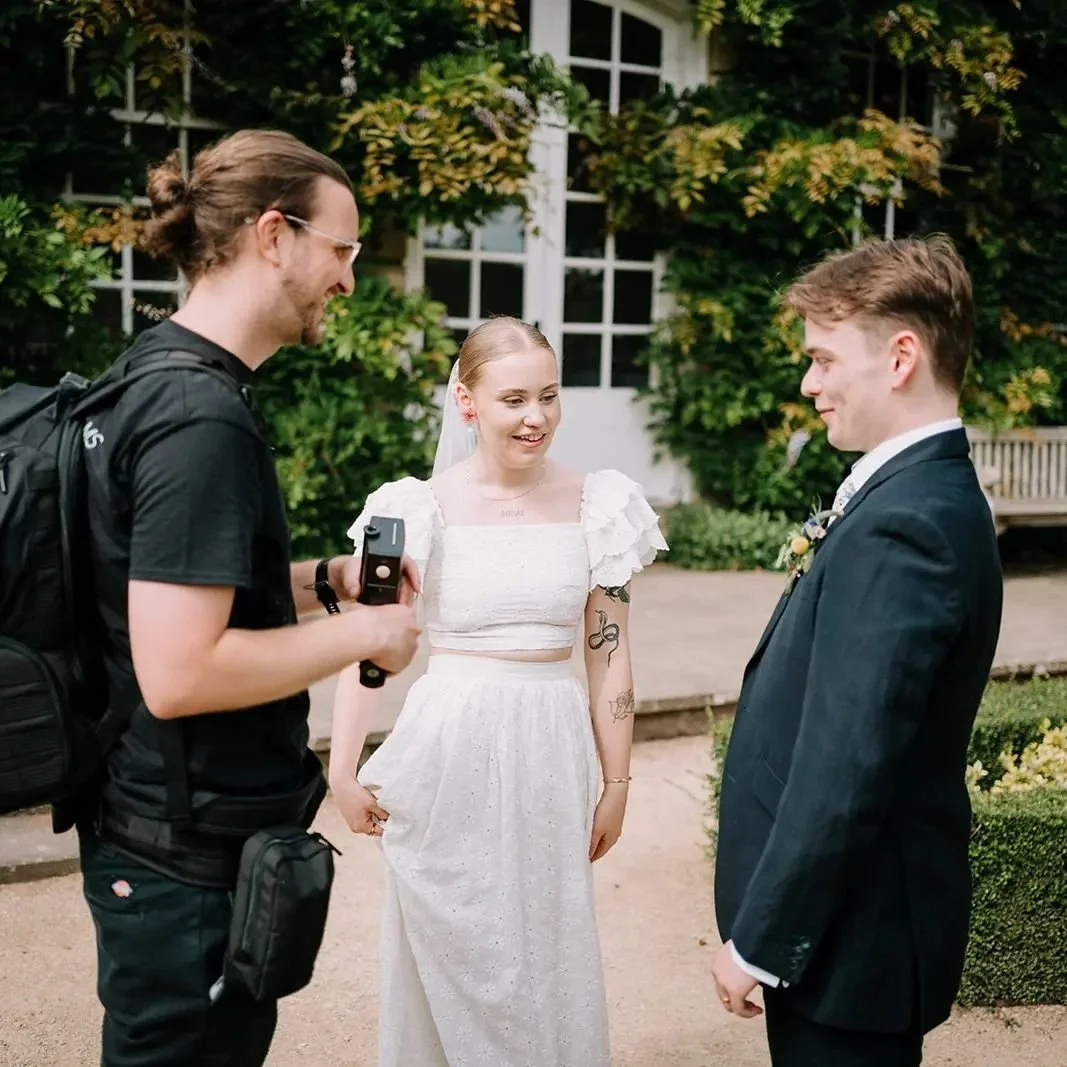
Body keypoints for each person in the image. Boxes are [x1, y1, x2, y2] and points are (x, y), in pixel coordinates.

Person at [77, 128, 421, 1066]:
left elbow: (170, 591)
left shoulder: (152, 373)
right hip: (181, 859)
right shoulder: (198, 418)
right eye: (341, 250)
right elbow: (181, 670)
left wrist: (321, 582)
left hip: (152, 826)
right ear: (275, 235)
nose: (348, 278)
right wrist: (369, 628)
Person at [328, 316, 668, 1066]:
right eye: (513, 398)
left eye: (548, 395)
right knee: (453, 934)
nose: (536, 416)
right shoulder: (411, 509)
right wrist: (342, 767)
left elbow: (609, 654)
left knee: (543, 938)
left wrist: (616, 781)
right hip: (450, 746)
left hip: (551, 745)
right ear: (466, 400)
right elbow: (368, 646)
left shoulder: (599, 505)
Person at [711, 236, 1003, 1066]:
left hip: (851, 942)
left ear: (900, 355)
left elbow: (847, 763)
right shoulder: (913, 494)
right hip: (850, 935)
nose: (807, 383)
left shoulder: (906, 524)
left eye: (822, 358)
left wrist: (761, 940)